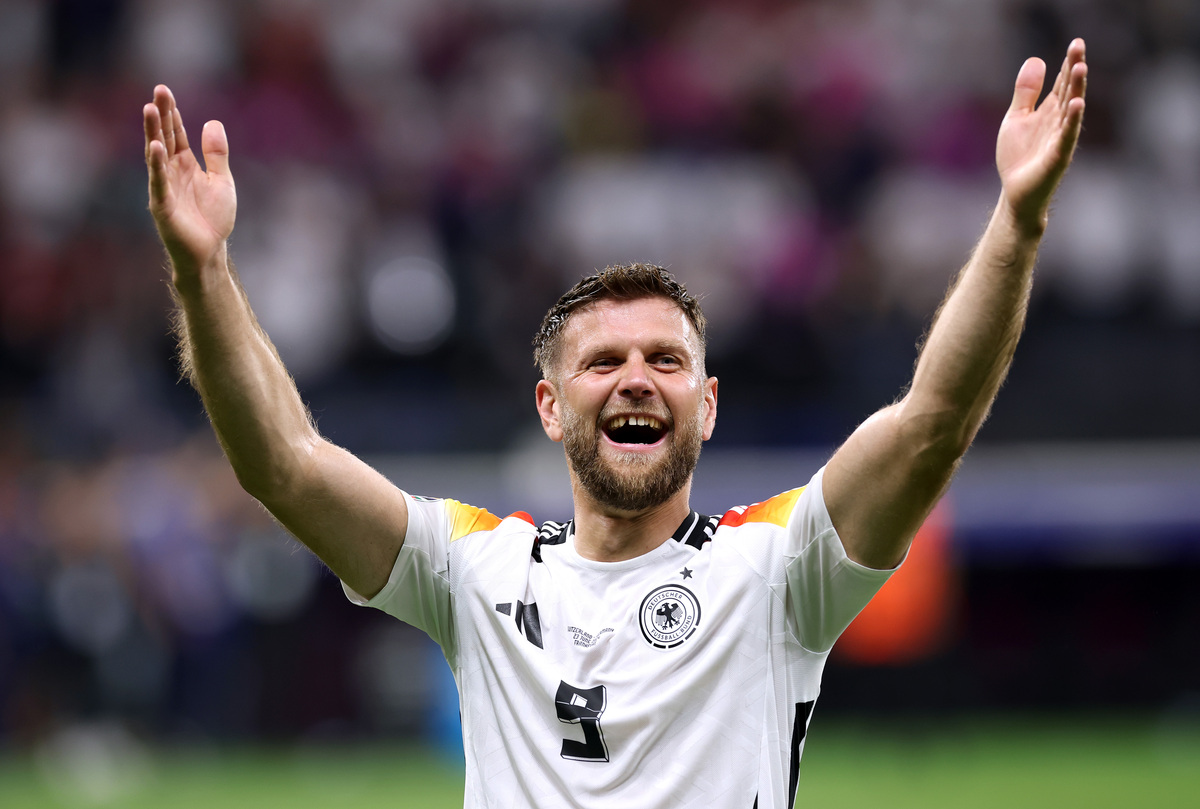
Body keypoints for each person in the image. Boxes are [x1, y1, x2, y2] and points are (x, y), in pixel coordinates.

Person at [143, 38, 1087, 809]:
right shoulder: (472, 567)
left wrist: (1017, 220)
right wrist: (204, 275)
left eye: (667, 361)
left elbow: (932, 423)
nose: (637, 380)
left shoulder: (775, 571)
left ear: (707, 406)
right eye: (604, 361)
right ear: (551, 408)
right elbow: (285, 465)